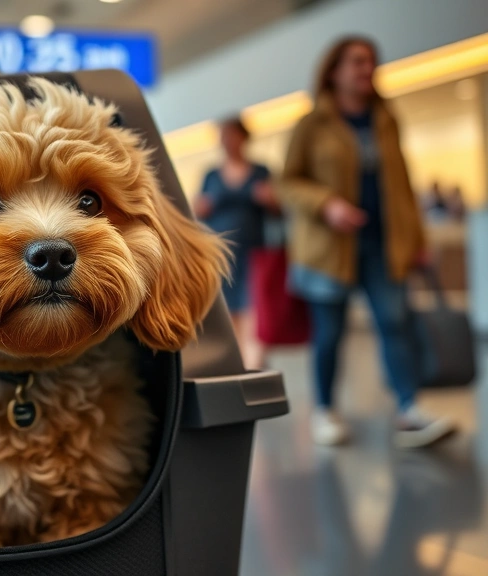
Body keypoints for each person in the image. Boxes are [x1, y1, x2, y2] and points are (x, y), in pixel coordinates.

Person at [279, 36, 455, 448]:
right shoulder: (312, 123)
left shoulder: (385, 118)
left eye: (371, 62)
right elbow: (288, 182)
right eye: (357, 62)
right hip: (329, 248)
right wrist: (327, 205)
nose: (366, 69)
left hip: (382, 244)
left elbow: (402, 183)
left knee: (395, 324)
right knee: (331, 333)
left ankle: (408, 410)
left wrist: (417, 238)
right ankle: (325, 410)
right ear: (335, 71)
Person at [192, 117, 278, 369]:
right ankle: (239, 366)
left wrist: (270, 199)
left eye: (231, 135)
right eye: (222, 136)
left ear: (243, 137)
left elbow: (279, 210)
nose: (227, 141)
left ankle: (252, 368)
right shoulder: (211, 175)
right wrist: (200, 206)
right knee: (229, 317)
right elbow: (195, 210)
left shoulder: (261, 171)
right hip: (221, 257)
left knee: (255, 314)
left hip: (254, 256)